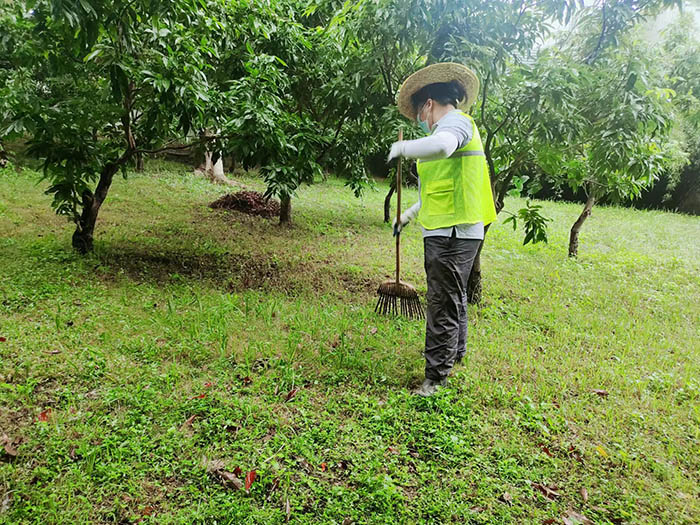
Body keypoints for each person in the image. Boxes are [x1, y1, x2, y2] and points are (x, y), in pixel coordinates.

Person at [387, 63, 497, 397]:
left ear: (429, 103)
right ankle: (455, 352)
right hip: (450, 227)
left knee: (442, 302)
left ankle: (435, 378)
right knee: (453, 297)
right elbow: (438, 187)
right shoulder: (444, 130)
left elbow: (443, 146)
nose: (421, 120)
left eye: (420, 112)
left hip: (453, 232)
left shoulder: (456, 124)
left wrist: (402, 148)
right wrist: (407, 214)